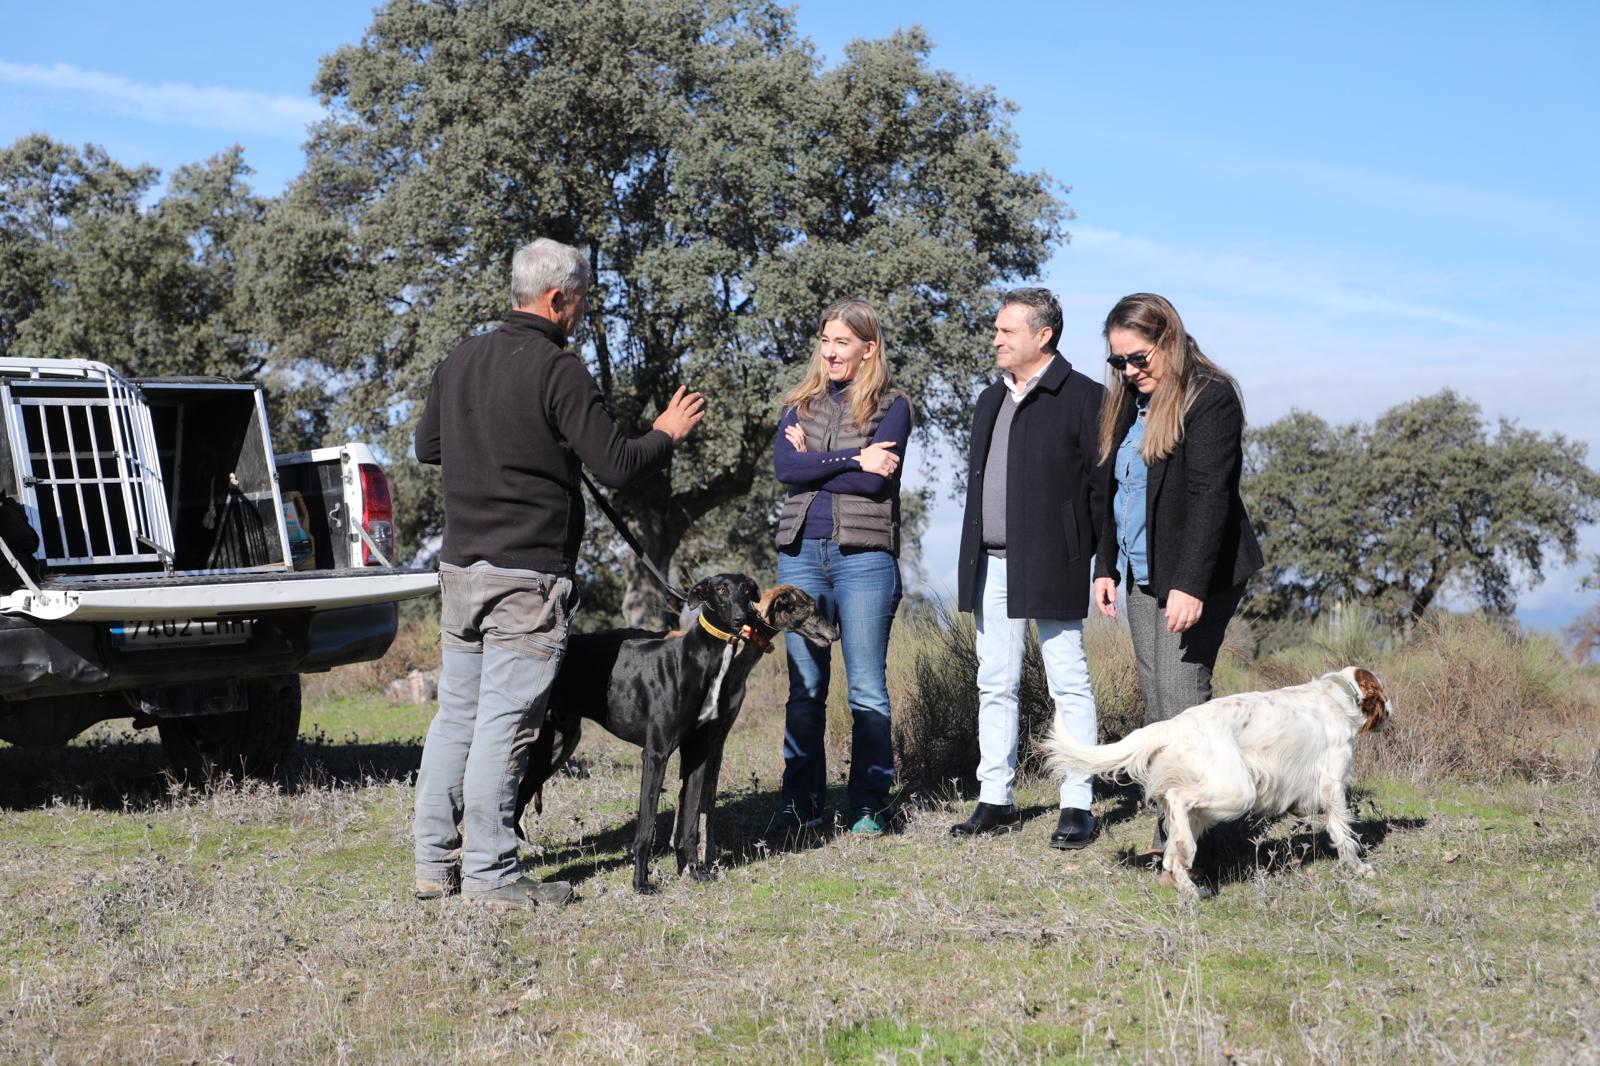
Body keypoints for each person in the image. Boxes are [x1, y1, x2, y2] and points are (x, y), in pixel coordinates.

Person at [412, 237, 704, 907]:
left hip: (460, 570)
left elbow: (428, 446)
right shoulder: (558, 369)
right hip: (526, 577)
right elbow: (620, 465)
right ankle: (489, 874)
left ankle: (432, 862)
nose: (583, 313)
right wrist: (665, 432)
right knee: (505, 726)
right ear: (555, 298)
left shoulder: (460, 358)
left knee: (456, 716)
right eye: (582, 302)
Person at [1090, 292, 1263, 858]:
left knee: (1184, 703)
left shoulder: (1210, 397)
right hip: (1141, 570)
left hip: (1195, 575)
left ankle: (1192, 849)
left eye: (1139, 358)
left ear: (1169, 342)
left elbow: (1210, 496)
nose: (1130, 371)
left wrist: (1189, 584)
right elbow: (1114, 491)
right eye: (1118, 362)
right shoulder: (1127, 401)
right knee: (1159, 706)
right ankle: (1180, 833)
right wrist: (1107, 566)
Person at [952, 288, 1107, 848]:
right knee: (994, 682)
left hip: (1054, 562)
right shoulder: (989, 400)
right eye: (996, 330)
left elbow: (1101, 491)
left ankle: (1077, 803)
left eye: (1006, 331)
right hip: (989, 565)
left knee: (1069, 682)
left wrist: (1099, 561)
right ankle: (995, 797)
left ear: (1043, 336)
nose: (996, 339)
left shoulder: (1086, 397)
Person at [771, 298, 910, 836]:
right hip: (800, 552)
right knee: (805, 689)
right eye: (825, 340)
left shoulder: (892, 405)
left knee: (867, 689)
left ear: (867, 348)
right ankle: (799, 803)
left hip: (864, 560)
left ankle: (868, 805)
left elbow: (878, 483)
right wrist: (854, 458)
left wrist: (817, 466)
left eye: (842, 343)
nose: (830, 352)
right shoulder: (799, 403)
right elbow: (788, 469)